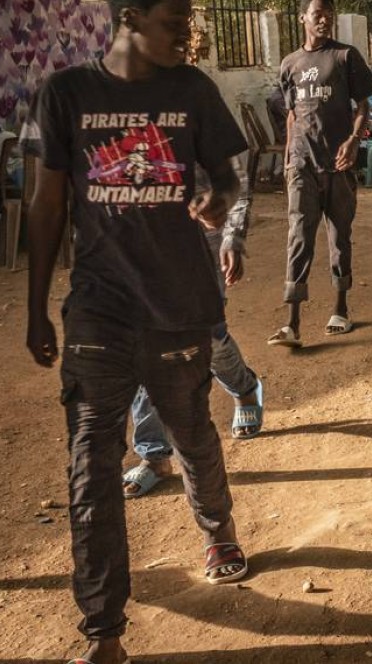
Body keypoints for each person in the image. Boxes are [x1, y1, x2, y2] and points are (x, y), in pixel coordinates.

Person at [23, 0, 249, 664]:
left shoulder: (192, 90)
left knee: (191, 435)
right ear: (126, 20)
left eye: (187, 23)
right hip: (98, 309)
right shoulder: (66, 95)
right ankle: (104, 630)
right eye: (173, 23)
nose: (188, 35)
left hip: (180, 304)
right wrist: (36, 309)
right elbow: (49, 203)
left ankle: (216, 528)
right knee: (90, 462)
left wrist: (220, 197)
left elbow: (233, 172)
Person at [122, 150, 264, 498]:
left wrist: (233, 237)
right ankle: (154, 454)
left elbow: (238, 184)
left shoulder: (198, 107)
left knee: (208, 337)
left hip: (203, 247)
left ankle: (245, 388)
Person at [269, 0, 372, 347]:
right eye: (317, 13)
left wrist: (354, 140)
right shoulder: (290, 65)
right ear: (303, 17)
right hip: (301, 164)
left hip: (338, 164)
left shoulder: (346, 57)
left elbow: (363, 105)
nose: (324, 18)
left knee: (338, 237)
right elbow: (291, 114)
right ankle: (291, 321)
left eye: (329, 13)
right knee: (299, 237)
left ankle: (340, 309)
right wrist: (288, 157)